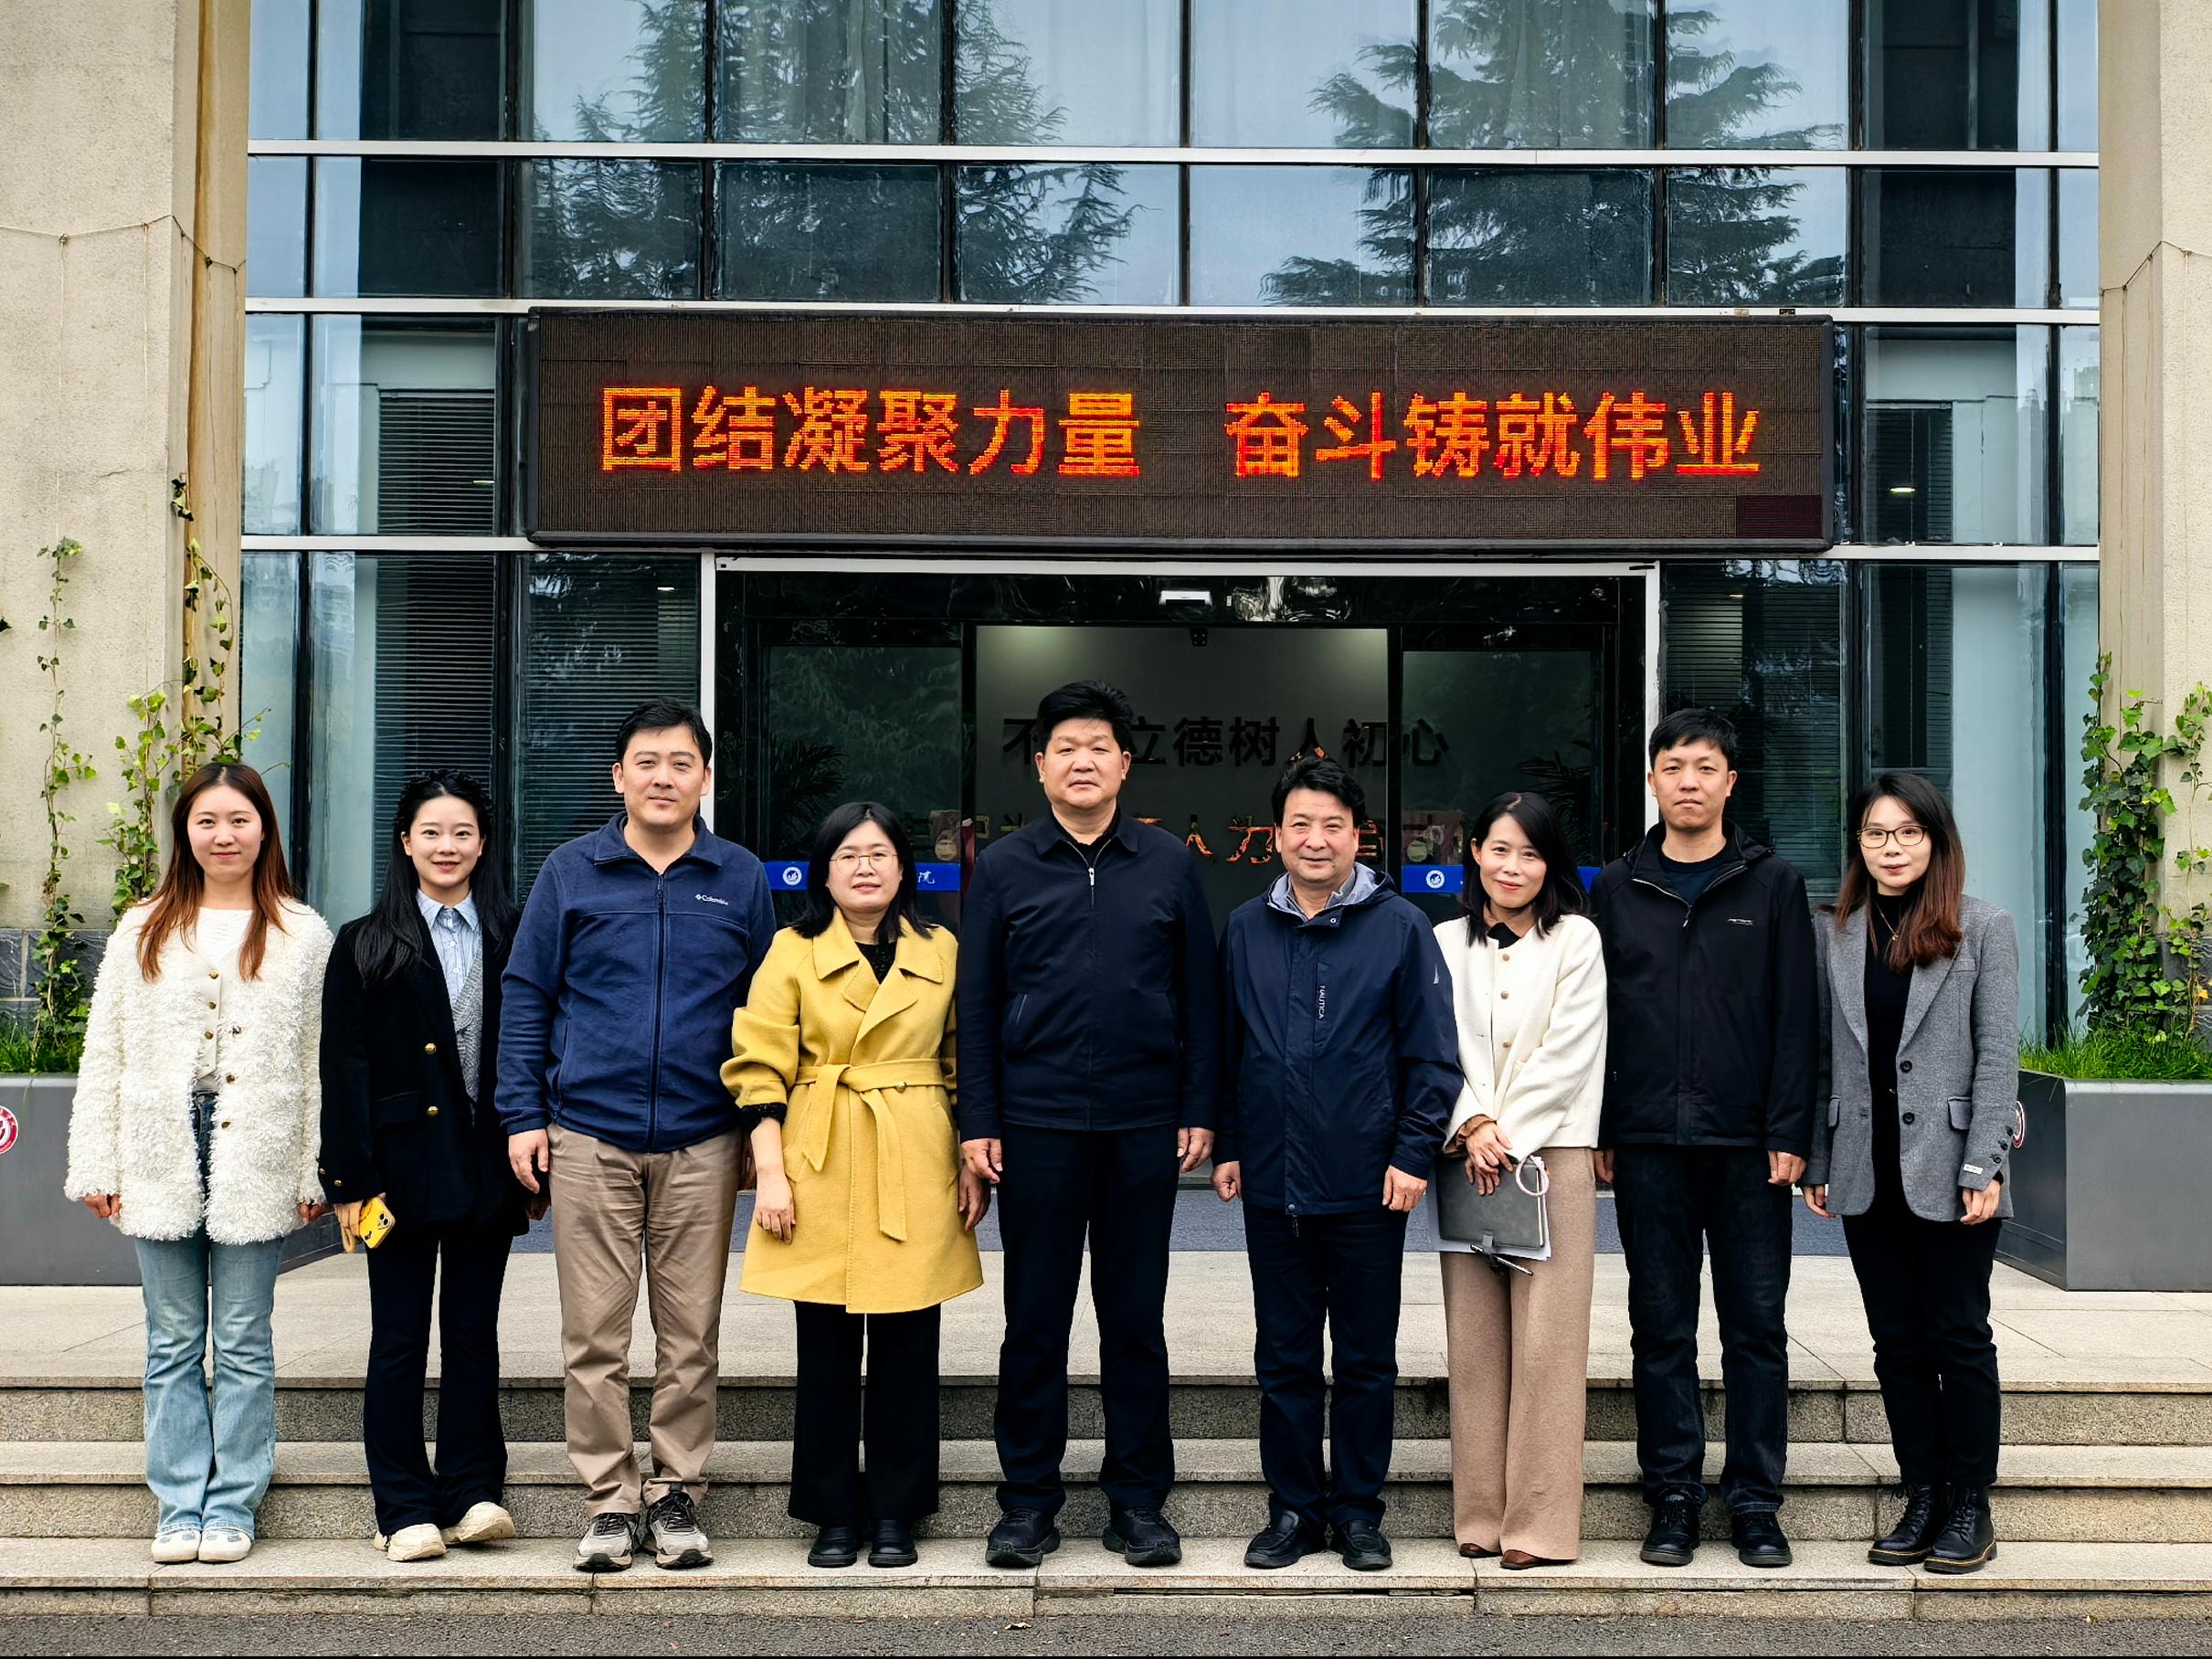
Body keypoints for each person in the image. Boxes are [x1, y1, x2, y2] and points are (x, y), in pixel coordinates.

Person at [497, 700, 776, 1574]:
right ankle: (611, 1502)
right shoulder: (570, 872)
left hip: (703, 1137)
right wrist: (521, 1114)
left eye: (680, 762)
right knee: (594, 1335)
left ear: (705, 778)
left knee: (691, 1332)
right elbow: (527, 995)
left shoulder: (739, 877)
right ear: (618, 776)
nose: (663, 777)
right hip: (588, 1133)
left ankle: (678, 1490)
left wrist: (759, 1131)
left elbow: (766, 1014)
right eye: (646, 762)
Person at [958, 680, 1221, 1571]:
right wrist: (978, 1119)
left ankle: (1138, 1501)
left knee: (1133, 1319)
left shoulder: (1168, 863)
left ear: (1124, 764)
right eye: (1064, 747)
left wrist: (1198, 1107)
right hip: (1035, 1125)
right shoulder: (1004, 867)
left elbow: (1199, 996)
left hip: (1143, 1124)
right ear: (1040, 766)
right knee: (1034, 1318)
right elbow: (977, 1004)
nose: (1081, 761)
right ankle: (1027, 1502)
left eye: (1097, 747)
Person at [64, 763, 333, 1566]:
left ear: (264, 830)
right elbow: (105, 1050)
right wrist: (96, 1161)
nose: (224, 835)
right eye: (207, 820)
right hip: (161, 1141)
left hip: (259, 1144)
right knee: (173, 1337)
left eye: (240, 820)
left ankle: (234, 1502)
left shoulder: (302, 932)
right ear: (185, 831)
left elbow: (318, 1059)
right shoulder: (142, 926)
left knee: (244, 1336)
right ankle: (180, 1503)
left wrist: (314, 1167)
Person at [1212, 756, 1460, 1573]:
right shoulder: (1245, 927)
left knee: (1364, 1360)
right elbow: (1227, 1049)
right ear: (1275, 836)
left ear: (1359, 836)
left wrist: (1412, 1153)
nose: (1315, 840)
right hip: (1272, 1180)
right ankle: (1291, 1511)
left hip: (1368, 1183)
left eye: (1332, 825)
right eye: (1300, 824)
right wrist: (1231, 1144)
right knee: (1283, 1358)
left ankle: (1356, 1513)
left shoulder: (1400, 926)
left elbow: (1431, 1055)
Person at [726, 803, 989, 1571]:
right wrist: (769, 1173)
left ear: (904, 868)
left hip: (916, 1151)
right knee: (826, 1349)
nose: (864, 867)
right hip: (821, 1153)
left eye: (878, 853)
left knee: (909, 1345)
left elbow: (963, 1060)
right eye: (847, 855)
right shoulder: (792, 949)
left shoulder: (941, 949)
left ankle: (899, 1511)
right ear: (823, 871)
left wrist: (969, 1160)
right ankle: (832, 1511)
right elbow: (758, 1063)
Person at [1589, 708, 1816, 1570]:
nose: (1688, 781)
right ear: (1651, 780)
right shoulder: (1617, 887)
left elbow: (1796, 1018)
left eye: (1705, 767)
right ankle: (1673, 1497)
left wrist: (1789, 1129)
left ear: (1730, 782)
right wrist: (1603, 1126)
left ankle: (1754, 1503)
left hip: (1749, 1147)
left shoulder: (1773, 885)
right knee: (1660, 1327)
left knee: (1756, 1328)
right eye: (1673, 766)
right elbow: (1595, 1019)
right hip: (1647, 1141)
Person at [1805, 776, 2016, 1576]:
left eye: (1906, 833)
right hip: (1865, 1167)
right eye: (1874, 833)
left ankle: (1969, 1504)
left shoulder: (1981, 927)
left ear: (1934, 839)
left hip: (1953, 1166)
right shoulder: (1836, 933)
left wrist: (1984, 1162)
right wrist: (1819, 1158)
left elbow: (1997, 1057)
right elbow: (1824, 1056)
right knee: (1895, 1342)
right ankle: (1920, 1494)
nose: (1890, 848)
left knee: (1957, 1337)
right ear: (1858, 844)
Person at [319, 771, 530, 1563]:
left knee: (474, 1333)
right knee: (399, 1337)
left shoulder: (514, 932)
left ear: (483, 843)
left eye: (462, 833)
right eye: (432, 832)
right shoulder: (364, 942)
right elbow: (343, 1068)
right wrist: (350, 1180)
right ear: (405, 842)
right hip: (397, 1173)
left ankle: (473, 1492)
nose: (448, 847)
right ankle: (402, 1506)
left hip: (488, 1167)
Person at [1432, 791, 1607, 1569]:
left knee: (1547, 1348)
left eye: (1530, 854)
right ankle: (1478, 1514)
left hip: (1551, 1158)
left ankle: (1538, 1526)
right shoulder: (1440, 942)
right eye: (1499, 849)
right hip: (1463, 1155)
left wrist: (1502, 1136)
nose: (1512, 867)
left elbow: (1570, 1052)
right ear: (1473, 852)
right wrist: (1470, 1124)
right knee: (1473, 1346)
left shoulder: (1577, 940)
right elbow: (1433, 1045)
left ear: (1549, 865)